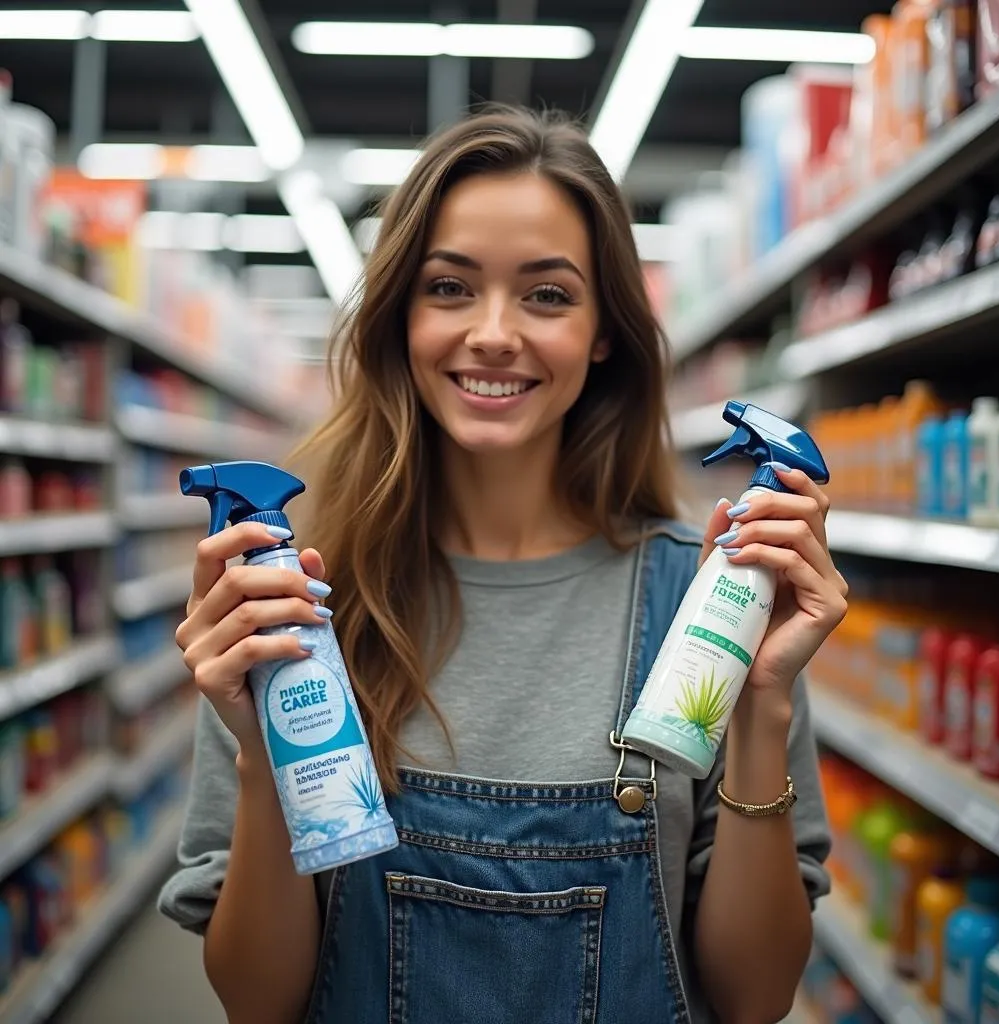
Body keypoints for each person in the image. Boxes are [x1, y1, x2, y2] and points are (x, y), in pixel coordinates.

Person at [159, 106, 845, 1024]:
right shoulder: (297, 600)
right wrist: (258, 755)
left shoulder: (712, 606)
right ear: (400, 314)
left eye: (547, 295)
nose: (492, 332)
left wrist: (762, 705)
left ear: (606, 332)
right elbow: (256, 1002)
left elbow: (753, 1000)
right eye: (449, 287)